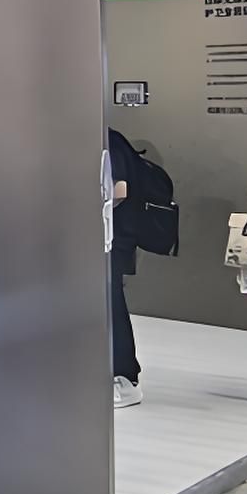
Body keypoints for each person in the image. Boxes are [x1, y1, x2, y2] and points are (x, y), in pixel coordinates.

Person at [106, 129, 144, 408]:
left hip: (109, 239)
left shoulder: (108, 139)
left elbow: (119, 190)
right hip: (84, 239)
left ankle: (125, 377)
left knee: (112, 304)